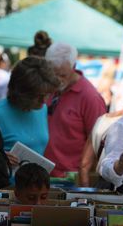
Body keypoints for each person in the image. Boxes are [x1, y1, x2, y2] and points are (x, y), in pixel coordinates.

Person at [0, 56, 61, 169]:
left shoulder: (41, 109)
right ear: (22, 93)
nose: (44, 101)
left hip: (32, 184)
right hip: (2, 185)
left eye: (48, 94)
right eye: (38, 96)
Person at [44, 42, 107, 177]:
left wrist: (84, 178)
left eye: (62, 75)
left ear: (73, 67)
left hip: (69, 179)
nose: (57, 80)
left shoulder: (90, 97)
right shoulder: (49, 88)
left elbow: (98, 145)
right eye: (52, 74)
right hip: (42, 173)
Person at [78, 85, 123, 187]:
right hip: (120, 189)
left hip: (104, 186)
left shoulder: (102, 119)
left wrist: (85, 190)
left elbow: (84, 164)